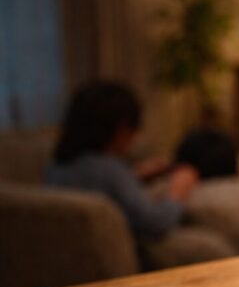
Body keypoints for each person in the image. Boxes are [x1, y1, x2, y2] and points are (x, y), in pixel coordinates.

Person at [46, 80, 198, 239]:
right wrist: (177, 191)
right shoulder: (111, 170)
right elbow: (155, 223)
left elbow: (97, 187)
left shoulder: (56, 166)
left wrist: (133, 176)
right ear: (121, 128)